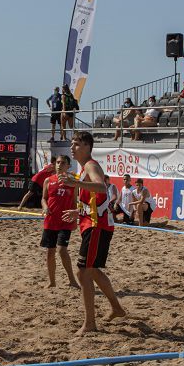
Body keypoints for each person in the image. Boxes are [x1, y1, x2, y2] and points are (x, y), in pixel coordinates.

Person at [58, 131, 126, 334]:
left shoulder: (90, 165)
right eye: (71, 143)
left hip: (97, 226)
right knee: (92, 270)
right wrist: (78, 211)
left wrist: (76, 183)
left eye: (77, 143)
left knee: (83, 272)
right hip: (92, 223)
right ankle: (116, 308)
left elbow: (102, 188)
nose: (72, 147)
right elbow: (95, 201)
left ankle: (90, 323)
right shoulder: (83, 168)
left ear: (87, 146)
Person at [40, 155, 79, 289]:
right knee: (50, 252)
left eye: (63, 163)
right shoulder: (48, 180)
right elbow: (43, 198)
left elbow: (75, 202)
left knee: (62, 250)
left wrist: (74, 218)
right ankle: (52, 282)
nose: (59, 165)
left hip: (65, 220)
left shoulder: (73, 182)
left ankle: (72, 280)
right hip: (50, 221)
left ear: (68, 166)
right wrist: (45, 207)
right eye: (57, 162)